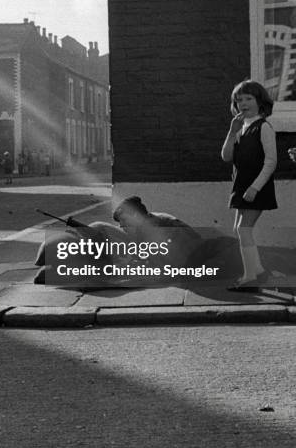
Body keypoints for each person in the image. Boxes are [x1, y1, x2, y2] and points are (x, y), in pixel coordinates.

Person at [33, 196, 214, 284]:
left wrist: (125, 275)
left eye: (125, 222)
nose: (123, 227)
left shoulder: (155, 230)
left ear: (135, 215)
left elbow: (164, 270)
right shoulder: (152, 221)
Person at [221, 79, 277, 291]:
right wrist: (232, 130)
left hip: (256, 188)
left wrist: (255, 187)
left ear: (259, 101)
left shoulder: (264, 127)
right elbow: (226, 156)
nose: (243, 103)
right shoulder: (240, 128)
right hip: (240, 186)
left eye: (249, 98)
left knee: (244, 229)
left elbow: (271, 161)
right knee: (240, 229)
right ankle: (259, 271)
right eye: (239, 99)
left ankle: (249, 277)